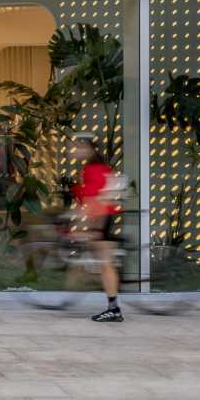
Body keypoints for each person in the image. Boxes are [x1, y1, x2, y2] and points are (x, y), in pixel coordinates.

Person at [71, 137, 125, 324]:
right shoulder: (102, 167)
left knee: (105, 264)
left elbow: (96, 199)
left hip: (103, 218)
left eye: (79, 148)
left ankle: (114, 309)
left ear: (89, 150)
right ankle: (113, 307)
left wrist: (94, 228)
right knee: (104, 264)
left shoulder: (91, 169)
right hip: (106, 217)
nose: (75, 151)